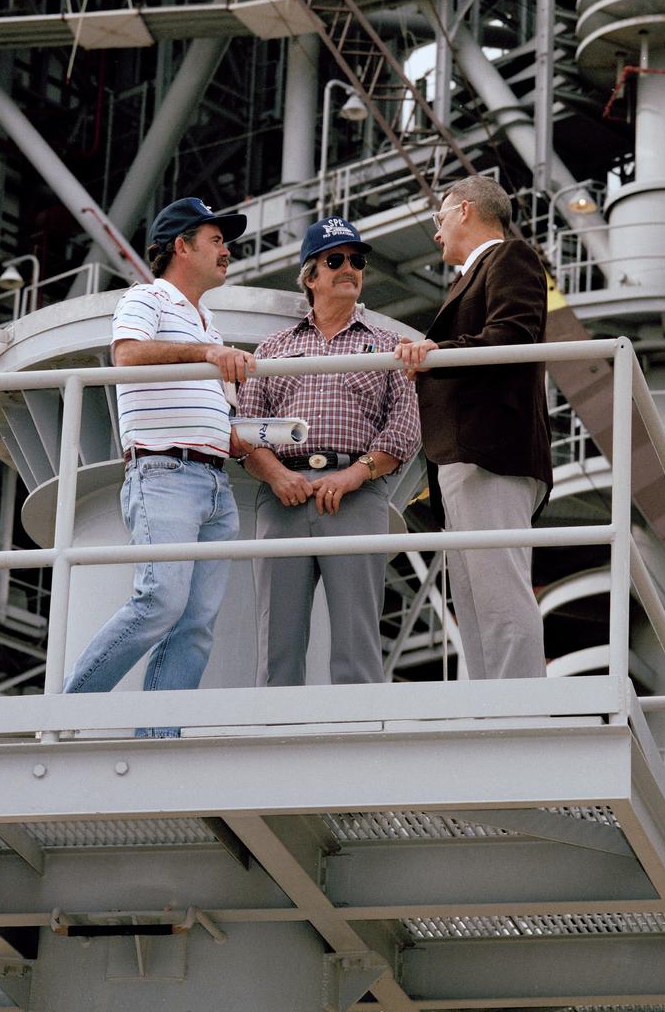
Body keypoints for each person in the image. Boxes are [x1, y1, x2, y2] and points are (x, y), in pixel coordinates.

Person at [63, 197, 255, 732]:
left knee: (195, 623)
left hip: (213, 480)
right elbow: (126, 357)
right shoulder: (146, 298)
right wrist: (207, 356)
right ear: (181, 245)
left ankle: (157, 737)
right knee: (160, 602)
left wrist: (239, 434)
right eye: (216, 240)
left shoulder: (206, 322)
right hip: (165, 474)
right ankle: (65, 713)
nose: (226, 250)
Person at [236, 216, 420, 685]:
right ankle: (276, 745)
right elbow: (245, 430)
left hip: (357, 498)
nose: (349, 269)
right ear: (310, 276)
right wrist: (278, 476)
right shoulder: (272, 348)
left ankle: (358, 746)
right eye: (335, 260)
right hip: (283, 499)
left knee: (358, 642)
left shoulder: (386, 347)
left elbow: (405, 428)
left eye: (356, 261)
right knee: (276, 644)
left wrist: (354, 475)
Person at [395, 174, 551, 680]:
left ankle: (517, 716)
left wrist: (438, 355)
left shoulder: (510, 257)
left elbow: (512, 335)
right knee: (477, 602)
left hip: (490, 451)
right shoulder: (480, 270)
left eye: (439, 218)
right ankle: (494, 710)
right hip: (466, 456)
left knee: (499, 597)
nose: (436, 233)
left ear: (464, 210)